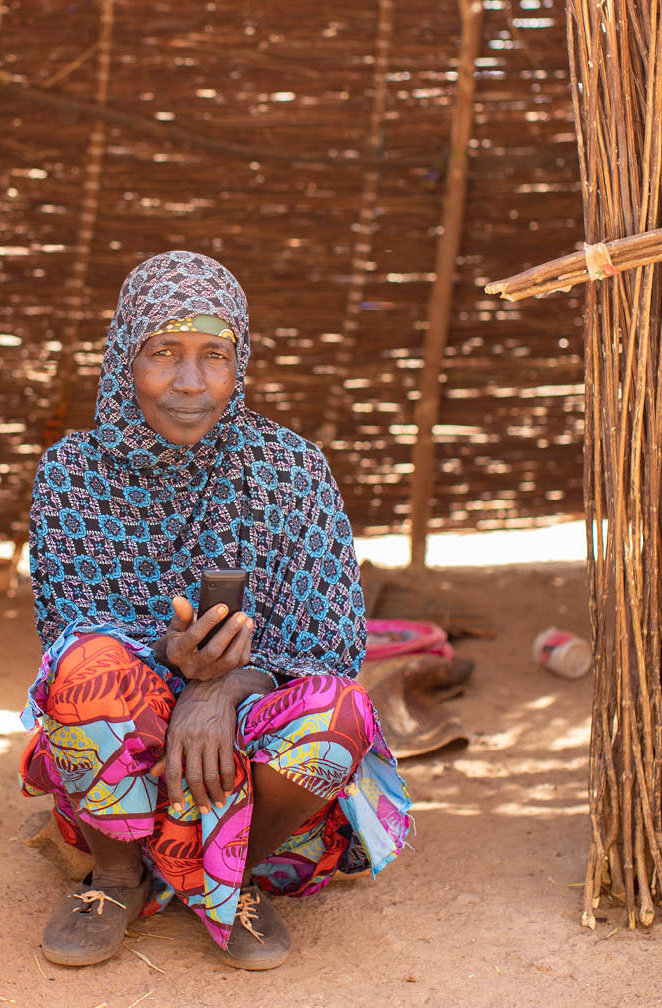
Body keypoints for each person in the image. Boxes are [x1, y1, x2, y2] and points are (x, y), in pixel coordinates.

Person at [20, 250, 410, 970]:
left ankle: (233, 876)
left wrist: (226, 685)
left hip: (248, 745)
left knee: (342, 711)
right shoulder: (74, 472)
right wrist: (174, 660)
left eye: (214, 355)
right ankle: (115, 876)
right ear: (122, 358)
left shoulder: (290, 469)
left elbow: (333, 642)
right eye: (163, 352)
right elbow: (71, 625)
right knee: (82, 669)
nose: (191, 382)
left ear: (242, 363)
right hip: (122, 767)